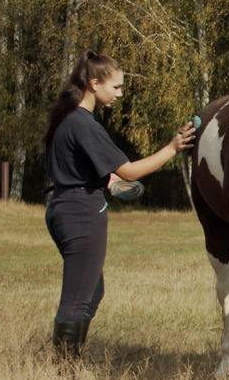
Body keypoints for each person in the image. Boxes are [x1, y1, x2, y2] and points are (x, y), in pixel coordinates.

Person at [42, 50, 196, 360]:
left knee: (92, 291)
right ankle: (64, 370)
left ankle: (69, 360)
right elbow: (130, 171)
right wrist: (171, 148)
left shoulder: (67, 119)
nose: (120, 94)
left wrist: (106, 181)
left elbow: (79, 168)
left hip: (62, 207)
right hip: (81, 214)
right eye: (116, 87)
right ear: (94, 83)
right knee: (78, 298)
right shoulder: (84, 124)